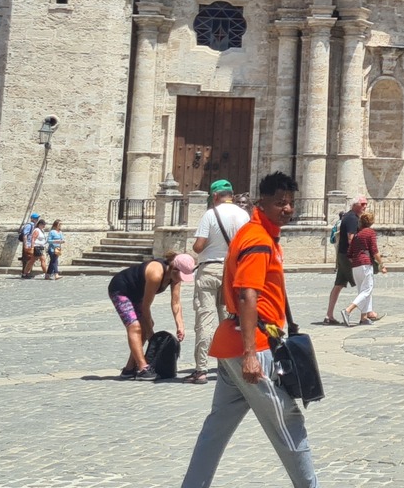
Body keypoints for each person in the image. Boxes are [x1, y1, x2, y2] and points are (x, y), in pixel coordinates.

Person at [179, 170, 319, 488]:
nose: (287, 209)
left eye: (291, 203)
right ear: (262, 203)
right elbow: (246, 293)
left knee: (217, 427)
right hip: (252, 345)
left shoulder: (257, 234)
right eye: (280, 202)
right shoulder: (256, 239)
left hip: (230, 345)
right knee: (287, 419)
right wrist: (251, 355)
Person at [188, 181, 251, 384]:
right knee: (229, 320)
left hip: (210, 269)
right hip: (232, 271)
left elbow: (198, 246)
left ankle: (201, 370)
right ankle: (228, 367)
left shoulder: (210, 214)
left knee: (205, 319)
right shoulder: (244, 215)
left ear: (215, 196)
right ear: (231, 195)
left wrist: (197, 245)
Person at [108, 251, 193, 379]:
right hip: (121, 290)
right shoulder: (156, 274)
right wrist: (150, 333)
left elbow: (176, 303)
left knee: (147, 324)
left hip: (137, 293)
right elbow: (145, 307)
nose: (181, 279)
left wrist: (180, 325)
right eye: (181, 275)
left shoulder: (175, 277)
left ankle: (129, 369)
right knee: (135, 327)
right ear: (174, 269)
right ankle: (143, 368)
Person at [321, 196, 368, 326]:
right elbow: (351, 238)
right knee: (364, 285)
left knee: (338, 285)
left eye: (366, 204)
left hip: (342, 255)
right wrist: (355, 255)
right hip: (348, 256)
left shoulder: (348, 216)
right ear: (355, 205)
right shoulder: (353, 218)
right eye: (363, 204)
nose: (365, 206)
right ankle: (365, 315)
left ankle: (328, 315)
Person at [340, 211, 384, 324]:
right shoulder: (370, 233)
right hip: (365, 264)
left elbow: (349, 253)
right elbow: (374, 251)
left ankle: (363, 318)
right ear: (371, 222)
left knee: (363, 292)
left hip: (355, 266)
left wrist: (357, 260)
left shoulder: (357, 235)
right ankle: (348, 310)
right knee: (367, 290)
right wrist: (381, 264)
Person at [18, 213, 41, 279]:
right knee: (27, 259)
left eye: (37, 218)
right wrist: (25, 244)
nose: (37, 219)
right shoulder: (29, 225)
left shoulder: (34, 225)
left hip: (30, 244)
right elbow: (25, 235)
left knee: (30, 259)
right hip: (27, 244)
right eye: (36, 218)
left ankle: (27, 272)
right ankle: (24, 273)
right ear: (32, 219)